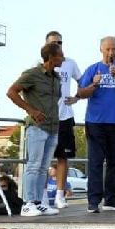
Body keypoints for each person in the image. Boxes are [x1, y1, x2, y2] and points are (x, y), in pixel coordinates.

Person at [76, 36, 115, 213]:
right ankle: (93, 201)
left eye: (114, 49)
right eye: (108, 49)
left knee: (114, 163)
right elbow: (81, 93)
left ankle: (111, 199)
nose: (111, 52)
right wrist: (94, 84)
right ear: (101, 49)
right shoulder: (93, 69)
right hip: (96, 122)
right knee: (96, 161)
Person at [6, 42, 65, 217]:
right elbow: (11, 92)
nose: (63, 58)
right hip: (37, 128)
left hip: (53, 127)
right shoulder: (32, 74)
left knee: (43, 167)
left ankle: (38, 202)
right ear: (52, 57)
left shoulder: (56, 78)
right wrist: (30, 110)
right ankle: (27, 203)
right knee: (33, 165)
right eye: (61, 55)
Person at [44, 31, 82, 209]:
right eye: (53, 43)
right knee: (43, 159)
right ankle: (42, 195)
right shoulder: (40, 66)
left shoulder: (70, 63)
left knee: (63, 157)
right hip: (46, 118)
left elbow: (82, 81)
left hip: (65, 116)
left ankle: (60, 195)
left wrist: (77, 97)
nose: (57, 45)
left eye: (59, 42)